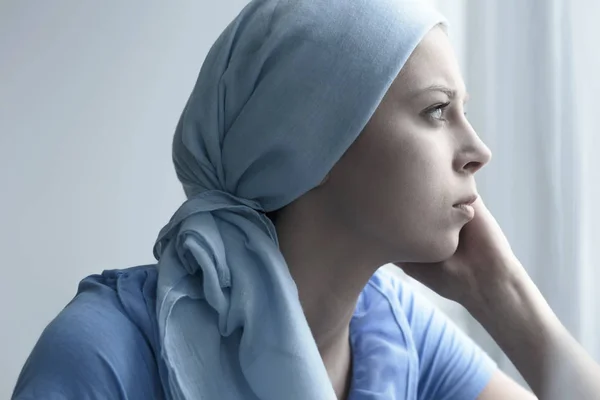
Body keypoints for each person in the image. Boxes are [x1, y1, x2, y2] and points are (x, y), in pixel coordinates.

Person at [11, 0, 600, 399]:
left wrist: (503, 295)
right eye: (437, 111)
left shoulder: (396, 332)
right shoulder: (104, 353)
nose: (478, 150)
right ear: (311, 145)